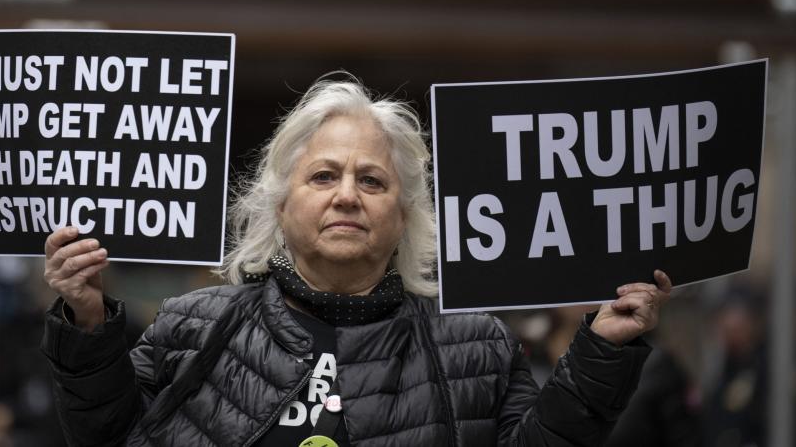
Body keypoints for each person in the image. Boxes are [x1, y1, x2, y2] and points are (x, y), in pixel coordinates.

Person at [41, 79, 673, 446]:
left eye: (372, 181)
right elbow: (105, 438)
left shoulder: (476, 343)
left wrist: (603, 352)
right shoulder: (191, 327)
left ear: (405, 213)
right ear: (281, 203)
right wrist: (87, 323)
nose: (347, 194)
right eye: (323, 175)